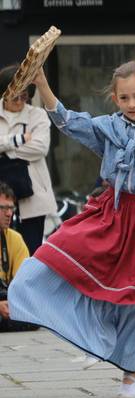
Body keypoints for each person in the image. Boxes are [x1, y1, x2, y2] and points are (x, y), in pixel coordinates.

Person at [8, 62, 135, 398]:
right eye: (124, 97)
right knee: (51, 256)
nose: (132, 103)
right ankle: (93, 335)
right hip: (109, 211)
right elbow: (69, 122)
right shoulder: (108, 128)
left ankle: (131, 374)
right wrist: (43, 83)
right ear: (114, 98)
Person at [0, 65, 56, 255]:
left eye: (25, 95)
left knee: (30, 254)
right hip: (2, 194)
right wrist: (16, 141)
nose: (20, 100)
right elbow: (29, 148)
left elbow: (40, 148)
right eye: (15, 95)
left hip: (33, 199)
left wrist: (4, 150)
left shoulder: (37, 115)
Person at [0, 182, 37, 333]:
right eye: (3, 208)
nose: (9, 214)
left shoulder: (15, 239)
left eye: (11, 208)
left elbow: (25, 286)